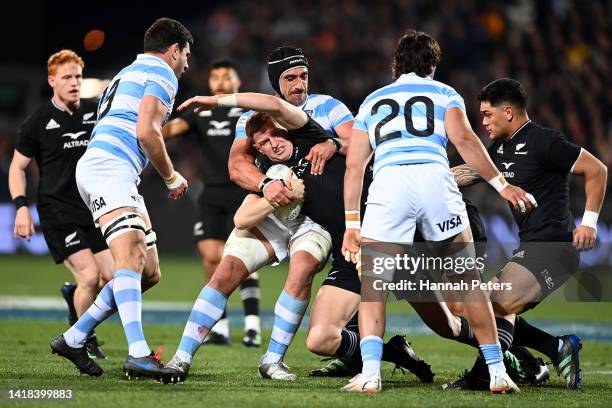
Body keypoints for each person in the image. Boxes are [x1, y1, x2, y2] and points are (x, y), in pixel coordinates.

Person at [162, 91, 431, 384]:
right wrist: (272, 191)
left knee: (303, 268)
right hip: (274, 209)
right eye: (262, 143)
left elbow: (360, 146)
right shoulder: (272, 170)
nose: (272, 143)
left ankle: (273, 359)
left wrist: (332, 143)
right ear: (259, 151)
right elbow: (241, 213)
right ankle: (181, 358)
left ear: (286, 129)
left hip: (313, 222)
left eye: (275, 135)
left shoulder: (317, 123)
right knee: (225, 271)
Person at [341, 29, 535, 394]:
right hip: (435, 180)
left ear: (395, 64)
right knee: (468, 284)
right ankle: (496, 372)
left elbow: (355, 167)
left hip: (389, 185)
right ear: (433, 64)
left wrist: (353, 222)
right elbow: (465, 141)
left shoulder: (372, 100)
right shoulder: (444, 93)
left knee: (373, 288)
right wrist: (501, 185)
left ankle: (370, 374)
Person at [49, 18, 193, 380]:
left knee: (148, 271)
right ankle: (139, 354)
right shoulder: (163, 73)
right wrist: (171, 177)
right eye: (186, 55)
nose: (187, 64)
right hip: (110, 168)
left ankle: (74, 336)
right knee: (130, 256)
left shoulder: (125, 72)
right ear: (173, 50)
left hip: (111, 169)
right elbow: (147, 131)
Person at [445, 78, 607, 390]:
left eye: (487, 115)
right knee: (462, 306)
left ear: (508, 112)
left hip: (555, 249)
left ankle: (487, 374)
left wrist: (588, 222)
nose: (483, 122)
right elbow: (463, 174)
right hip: (528, 248)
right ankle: (554, 349)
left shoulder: (545, 141)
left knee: (494, 302)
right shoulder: (499, 150)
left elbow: (597, 170)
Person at [9, 49, 114, 359]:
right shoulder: (39, 120)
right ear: (52, 80)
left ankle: (75, 304)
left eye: (78, 77)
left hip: (94, 207)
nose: (74, 82)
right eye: (66, 77)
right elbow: (17, 167)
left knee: (118, 278)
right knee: (90, 277)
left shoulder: (95, 113)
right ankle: (83, 339)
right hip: (57, 212)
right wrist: (21, 207)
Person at [163, 60, 261, 347]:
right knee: (211, 256)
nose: (219, 82)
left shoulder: (249, 112)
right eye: (214, 76)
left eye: (226, 77)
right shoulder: (199, 113)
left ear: (237, 82)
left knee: (244, 257)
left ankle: (252, 327)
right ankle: (220, 326)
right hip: (211, 194)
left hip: (243, 193)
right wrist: (149, 129)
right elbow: (171, 130)